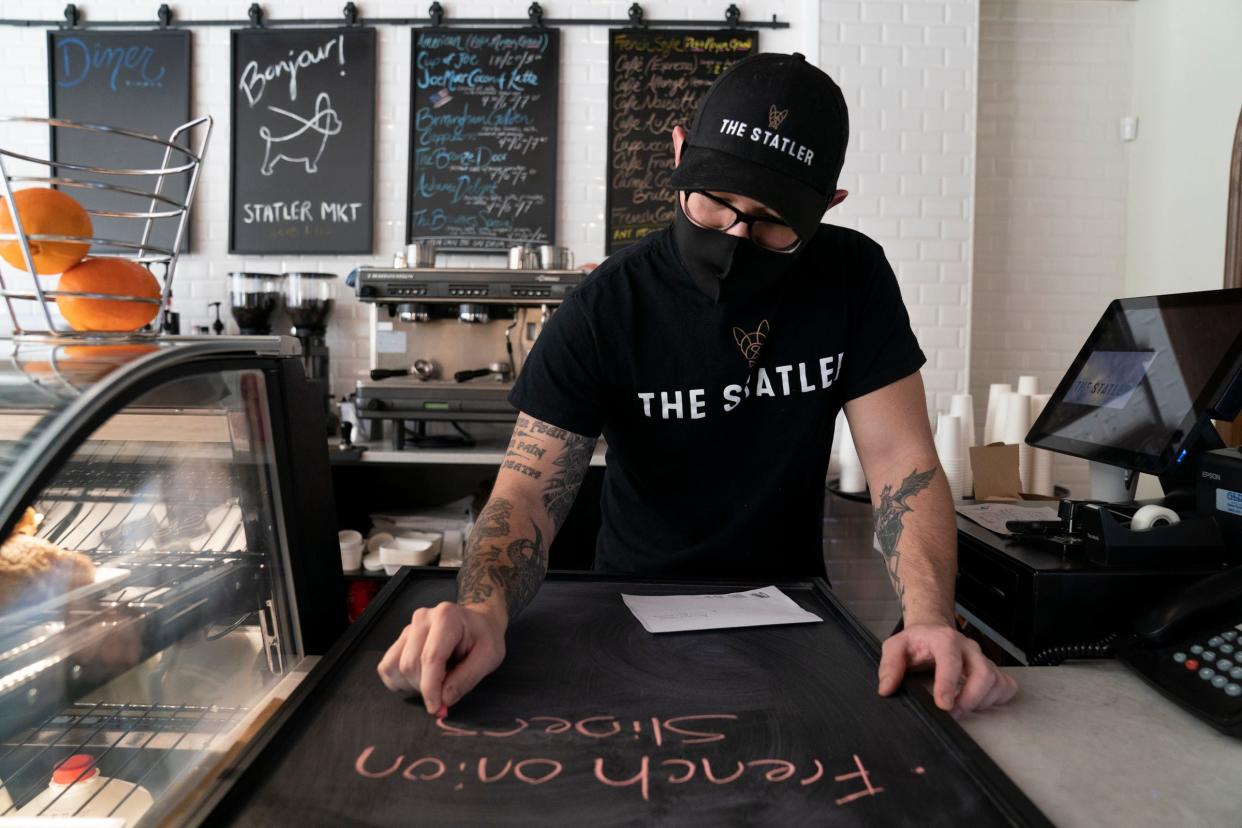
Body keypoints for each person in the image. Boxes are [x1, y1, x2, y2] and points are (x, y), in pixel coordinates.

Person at [378, 52, 1018, 719]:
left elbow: (900, 460)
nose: (736, 236)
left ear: (827, 207)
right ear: (680, 152)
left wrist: (929, 617)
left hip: (792, 611)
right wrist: (482, 612)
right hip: (627, 608)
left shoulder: (852, 278)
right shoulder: (608, 306)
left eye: (772, 223)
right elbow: (530, 491)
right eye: (715, 203)